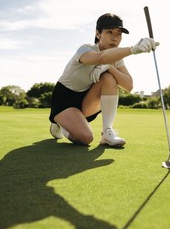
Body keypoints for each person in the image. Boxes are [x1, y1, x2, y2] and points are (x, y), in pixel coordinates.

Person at [49, 13, 159, 146]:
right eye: (109, 32)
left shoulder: (116, 57)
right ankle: (60, 124)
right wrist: (133, 49)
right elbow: (101, 57)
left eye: (118, 34)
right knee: (86, 138)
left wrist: (109, 68)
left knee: (108, 78)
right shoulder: (85, 49)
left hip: (87, 101)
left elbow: (128, 86)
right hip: (64, 99)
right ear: (98, 34)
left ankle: (107, 133)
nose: (115, 38)